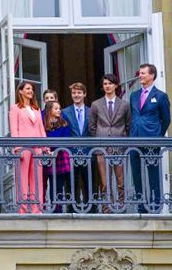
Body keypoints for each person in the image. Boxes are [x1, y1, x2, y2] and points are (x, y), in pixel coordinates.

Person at [128, 63, 170, 213]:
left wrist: (157, 136)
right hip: (134, 138)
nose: (140, 75)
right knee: (136, 174)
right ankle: (141, 204)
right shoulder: (134, 95)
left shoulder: (161, 96)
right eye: (140, 73)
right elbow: (132, 117)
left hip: (151, 139)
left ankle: (156, 205)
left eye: (143, 73)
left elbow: (166, 119)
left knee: (153, 173)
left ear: (151, 76)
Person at [89, 74, 130, 212]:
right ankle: (107, 208)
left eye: (110, 83)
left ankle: (121, 207)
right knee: (105, 181)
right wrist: (100, 140)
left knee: (120, 181)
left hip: (119, 146)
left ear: (116, 85)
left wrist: (123, 140)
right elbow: (92, 127)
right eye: (105, 84)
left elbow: (128, 125)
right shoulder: (96, 104)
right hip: (102, 147)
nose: (107, 86)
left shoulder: (124, 104)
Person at [9, 81, 47, 214]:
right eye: (28, 88)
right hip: (23, 147)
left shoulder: (36, 109)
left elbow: (41, 129)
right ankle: (23, 209)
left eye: (32, 89)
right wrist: (17, 147)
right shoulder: (15, 108)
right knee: (23, 178)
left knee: (37, 178)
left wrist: (45, 146)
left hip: (37, 147)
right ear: (20, 91)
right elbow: (14, 129)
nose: (31, 91)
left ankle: (37, 208)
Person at [61, 82, 91, 210]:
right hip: (71, 152)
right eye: (74, 93)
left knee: (89, 182)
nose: (76, 95)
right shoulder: (65, 112)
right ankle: (71, 209)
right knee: (71, 183)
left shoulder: (91, 111)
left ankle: (92, 209)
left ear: (84, 94)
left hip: (88, 152)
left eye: (79, 93)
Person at [42, 101, 71, 212]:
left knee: (58, 185)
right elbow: (43, 137)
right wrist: (48, 149)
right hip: (48, 157)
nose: (59, 110)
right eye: (56, 108)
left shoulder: (64, 123)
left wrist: (54, 147)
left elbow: (65, 139)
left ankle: (57, 209)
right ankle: (49, 207)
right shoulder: (44, 124)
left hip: (60, 156)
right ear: (49, 110)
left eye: (59, 108)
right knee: (48, 183)